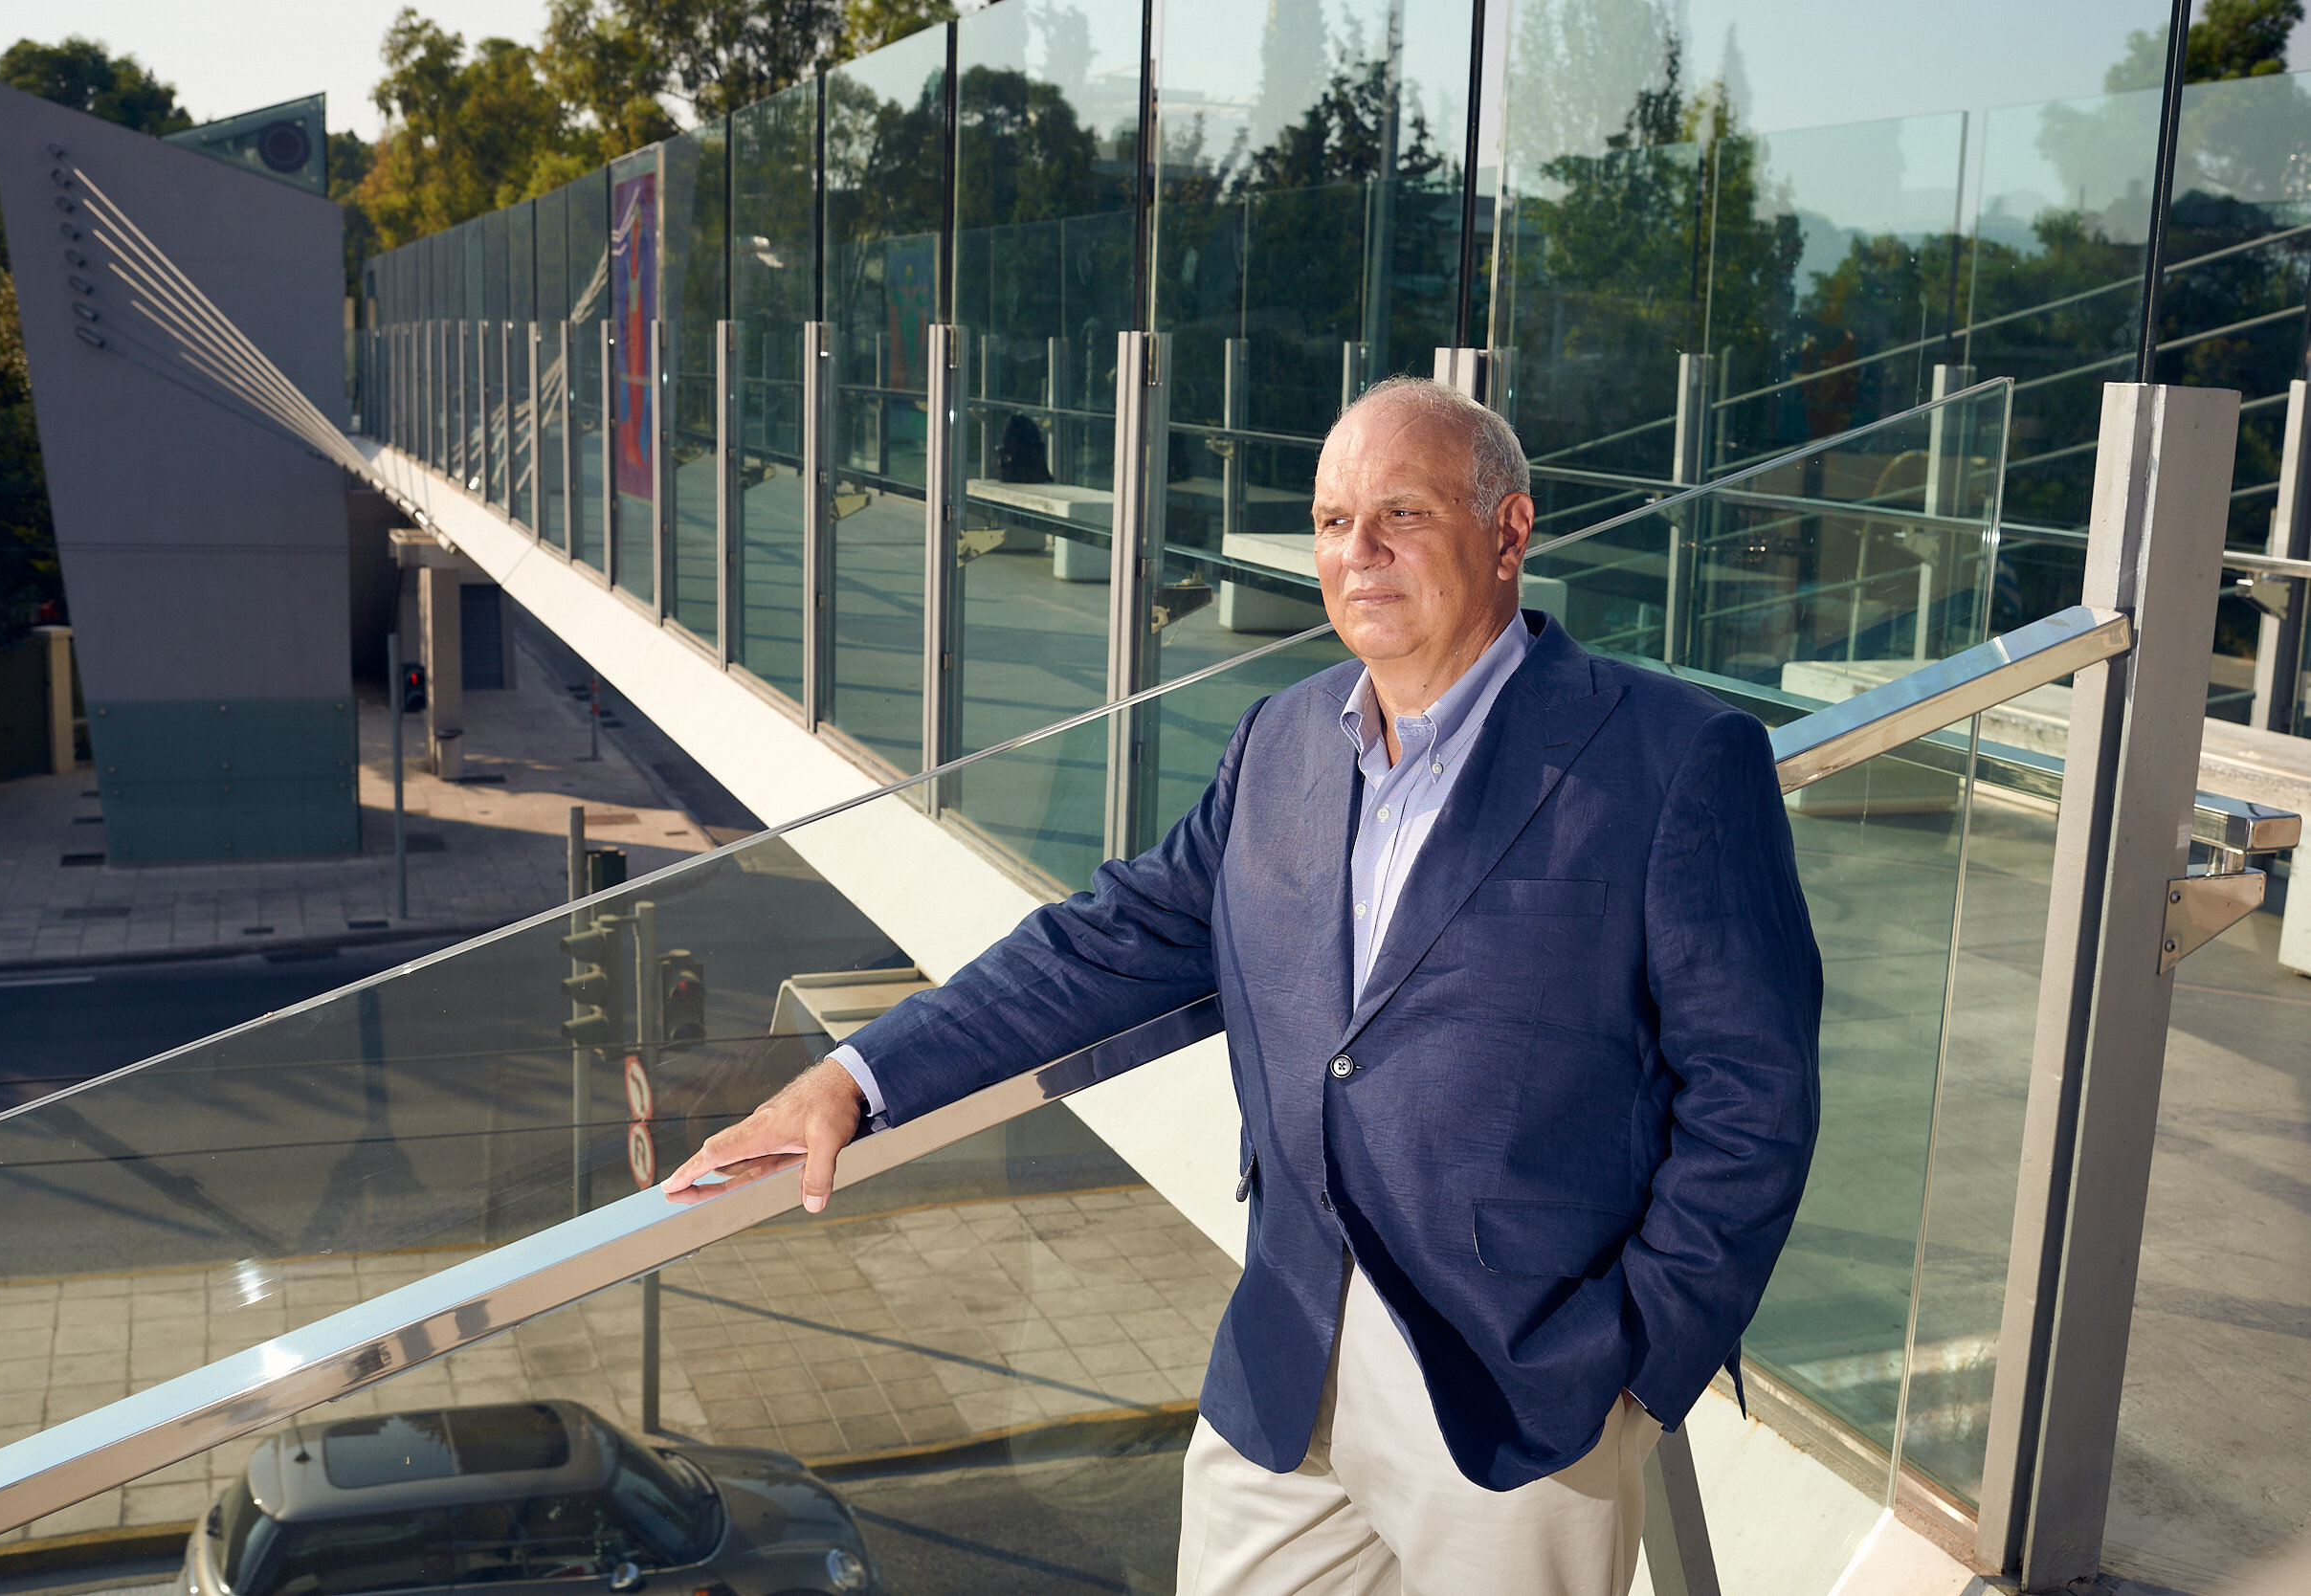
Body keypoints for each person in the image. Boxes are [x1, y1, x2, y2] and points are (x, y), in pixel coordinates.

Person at [664, 375, 1823, 1595]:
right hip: (1287, 1344)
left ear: (1508, 532)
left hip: (1527, 1380)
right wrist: (855, 1076)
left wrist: (1637, 1353)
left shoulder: (1674, 756)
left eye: (1400, 515)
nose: (1357, 553)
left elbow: (1753, 1093)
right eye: (1331, 523)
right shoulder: (1280, 740)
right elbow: (1104, 944)